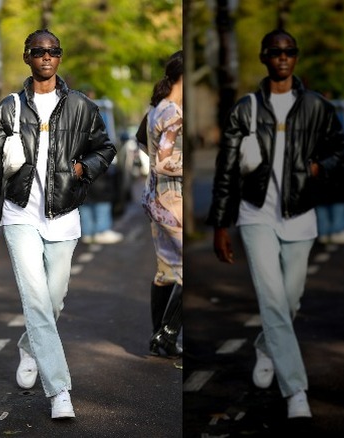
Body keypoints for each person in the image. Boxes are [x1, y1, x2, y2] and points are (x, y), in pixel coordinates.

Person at [0, 29, 116, 420]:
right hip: (19, 216)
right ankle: (60, 391)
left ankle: (28, 345)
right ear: (27, 57)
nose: (46, 56)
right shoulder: (9, 108)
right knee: (35, 302)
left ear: (60, 57)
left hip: (64, 217)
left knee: (54, 300)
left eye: (52, 51)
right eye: (38, 51)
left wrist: (85, 167)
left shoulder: (82, 106)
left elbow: (107, 147)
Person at [206, 29, 344, 419]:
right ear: (264, 57)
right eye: (275, 52)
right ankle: (296, 391)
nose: (282, 57)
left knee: (290, 300)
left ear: (296, 58)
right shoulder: (246, 109)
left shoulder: (317, 107)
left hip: (301, 215)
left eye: (289, 52)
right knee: (272, 301)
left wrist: (321, 166)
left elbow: (343, 148)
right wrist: (221, 224)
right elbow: (226, 171)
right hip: (255, 214)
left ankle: (266, 345)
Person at [139, 50, 184, 358]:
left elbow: (143, 143)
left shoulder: (158, 108)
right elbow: (164, 162)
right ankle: (166, 336)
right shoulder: (175, 114)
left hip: (155, 198)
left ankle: (159, 337)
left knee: (167, 271)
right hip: (173, 200)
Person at [79, 166, 123, 244]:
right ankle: (102, 231)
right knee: (102, 203)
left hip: (81, 180)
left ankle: (88, 233)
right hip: (99, 179)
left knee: (85, 203)